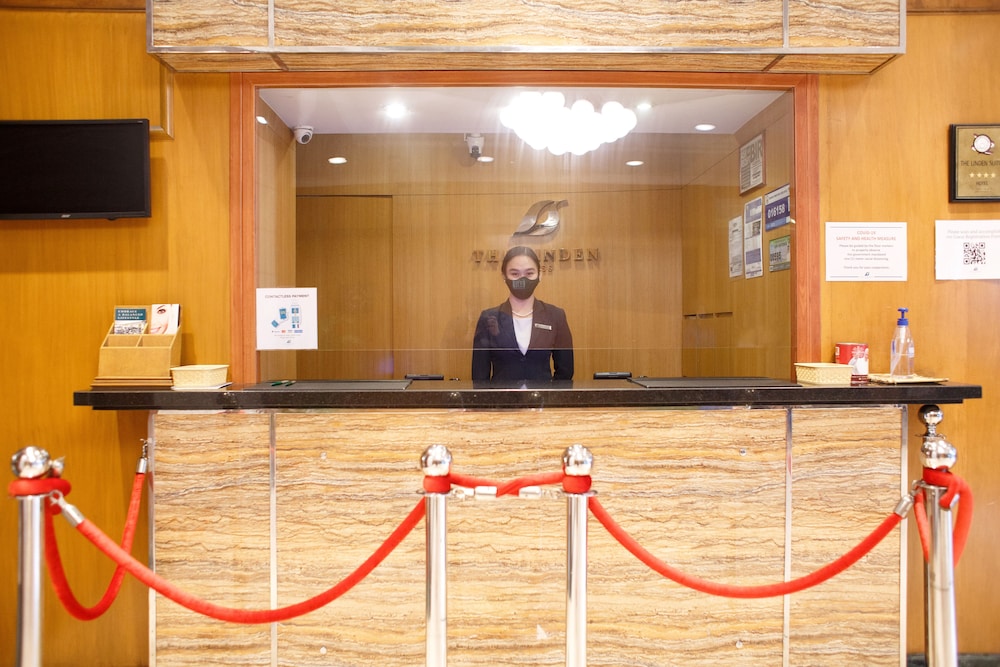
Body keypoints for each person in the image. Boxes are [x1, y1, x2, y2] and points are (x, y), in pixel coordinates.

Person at [472, 246, 574, 382]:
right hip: (501, 395)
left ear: (540, 275)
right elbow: (479, 375)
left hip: (542, 395)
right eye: (515, 274)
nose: (522, 280)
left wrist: (549, 393)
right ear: (504, 276)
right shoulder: (489, 318)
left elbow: (565, 371)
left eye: (529, 273)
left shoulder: (555, 315)